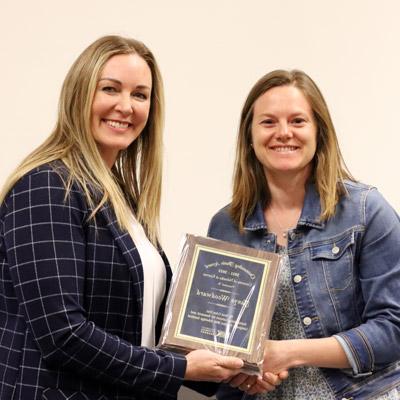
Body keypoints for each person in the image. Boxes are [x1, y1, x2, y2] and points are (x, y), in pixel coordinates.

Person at [0, 35, 247, 400]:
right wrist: (179, 368)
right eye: (110, 89)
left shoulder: (122, 200)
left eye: (140, 95)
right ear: (79, 94)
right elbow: (61, 334)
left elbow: (142, 332)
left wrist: (231, 369)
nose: (125, 106)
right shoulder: (48, 186)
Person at [207, 69, 400, 399]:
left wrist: (287, 352)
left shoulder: (367, 211)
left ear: (319, 132)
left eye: (297, 121)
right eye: (268, 122)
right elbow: (216, 338)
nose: (284, 133)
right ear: (249, 137)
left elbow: (393, 328)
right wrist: (241, 373)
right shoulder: (226, 226)